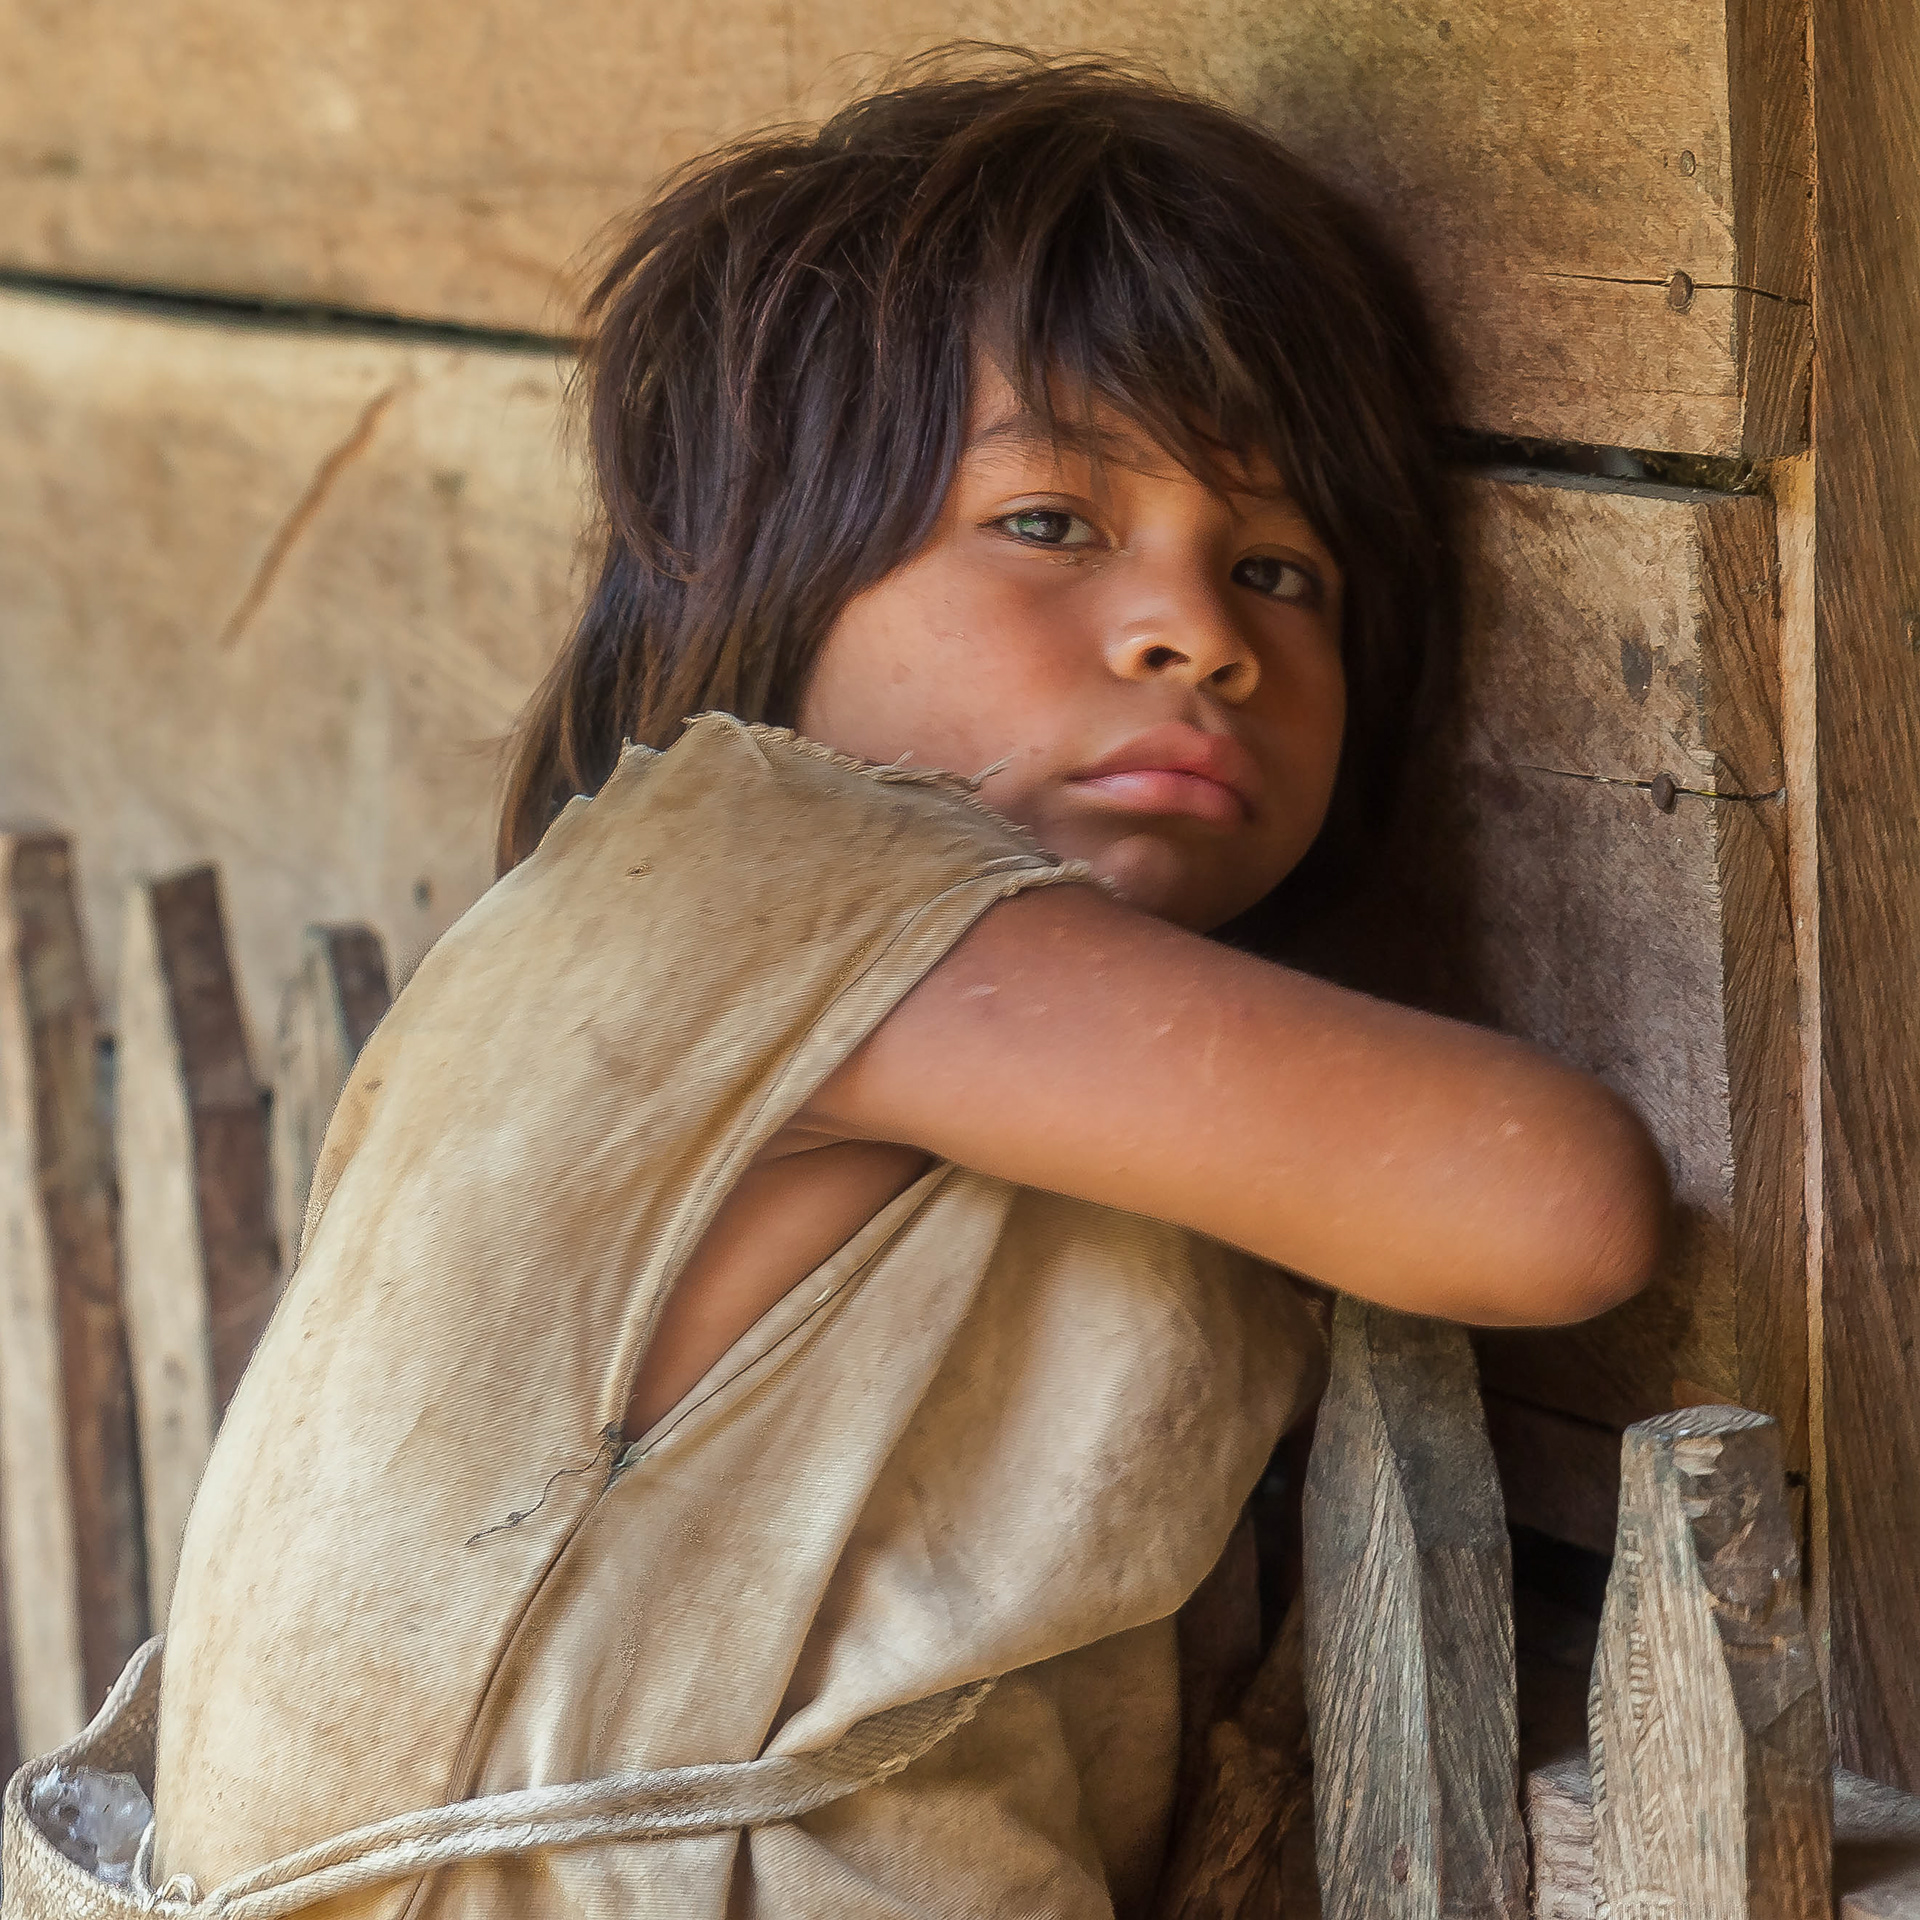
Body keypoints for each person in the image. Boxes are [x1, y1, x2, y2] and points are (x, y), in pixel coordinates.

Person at [145, 50, 1667, 1920]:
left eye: (1280, 567)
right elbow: (1554, 1201)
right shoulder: (770, 880)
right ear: (758, 566)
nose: (1199, 631)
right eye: (1049, 523)